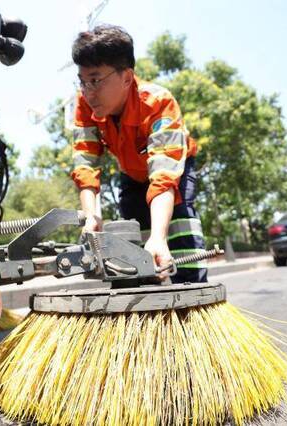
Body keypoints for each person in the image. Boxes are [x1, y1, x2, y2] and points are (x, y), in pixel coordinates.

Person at [70, 24, 207, 283]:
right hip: (131, 174)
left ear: (126, 77)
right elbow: (85, 162)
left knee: (178, 229)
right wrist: (90, 217)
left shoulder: (158, 102)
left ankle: (191, 287)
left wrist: (159, 238)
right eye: (83, 81)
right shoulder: (84, 104)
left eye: (96, 80)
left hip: (172, 171)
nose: (88, 92)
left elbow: (164, 176)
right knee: (132, 239)